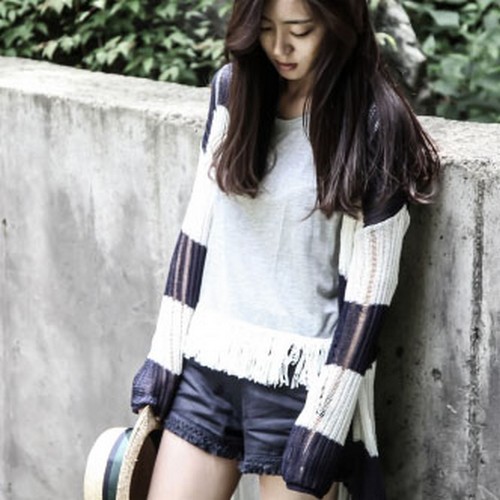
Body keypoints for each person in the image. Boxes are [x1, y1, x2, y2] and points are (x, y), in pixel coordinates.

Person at [131, 0, 440, 498]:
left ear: (340, 24)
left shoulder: (375, 122)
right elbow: (196, 234)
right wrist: (162, 360)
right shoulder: (233, 90)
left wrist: (324, 424)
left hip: (300, 387)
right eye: (266, 28)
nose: (280, 47)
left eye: (301, 29)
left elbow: (369, 298)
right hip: (207, 367)